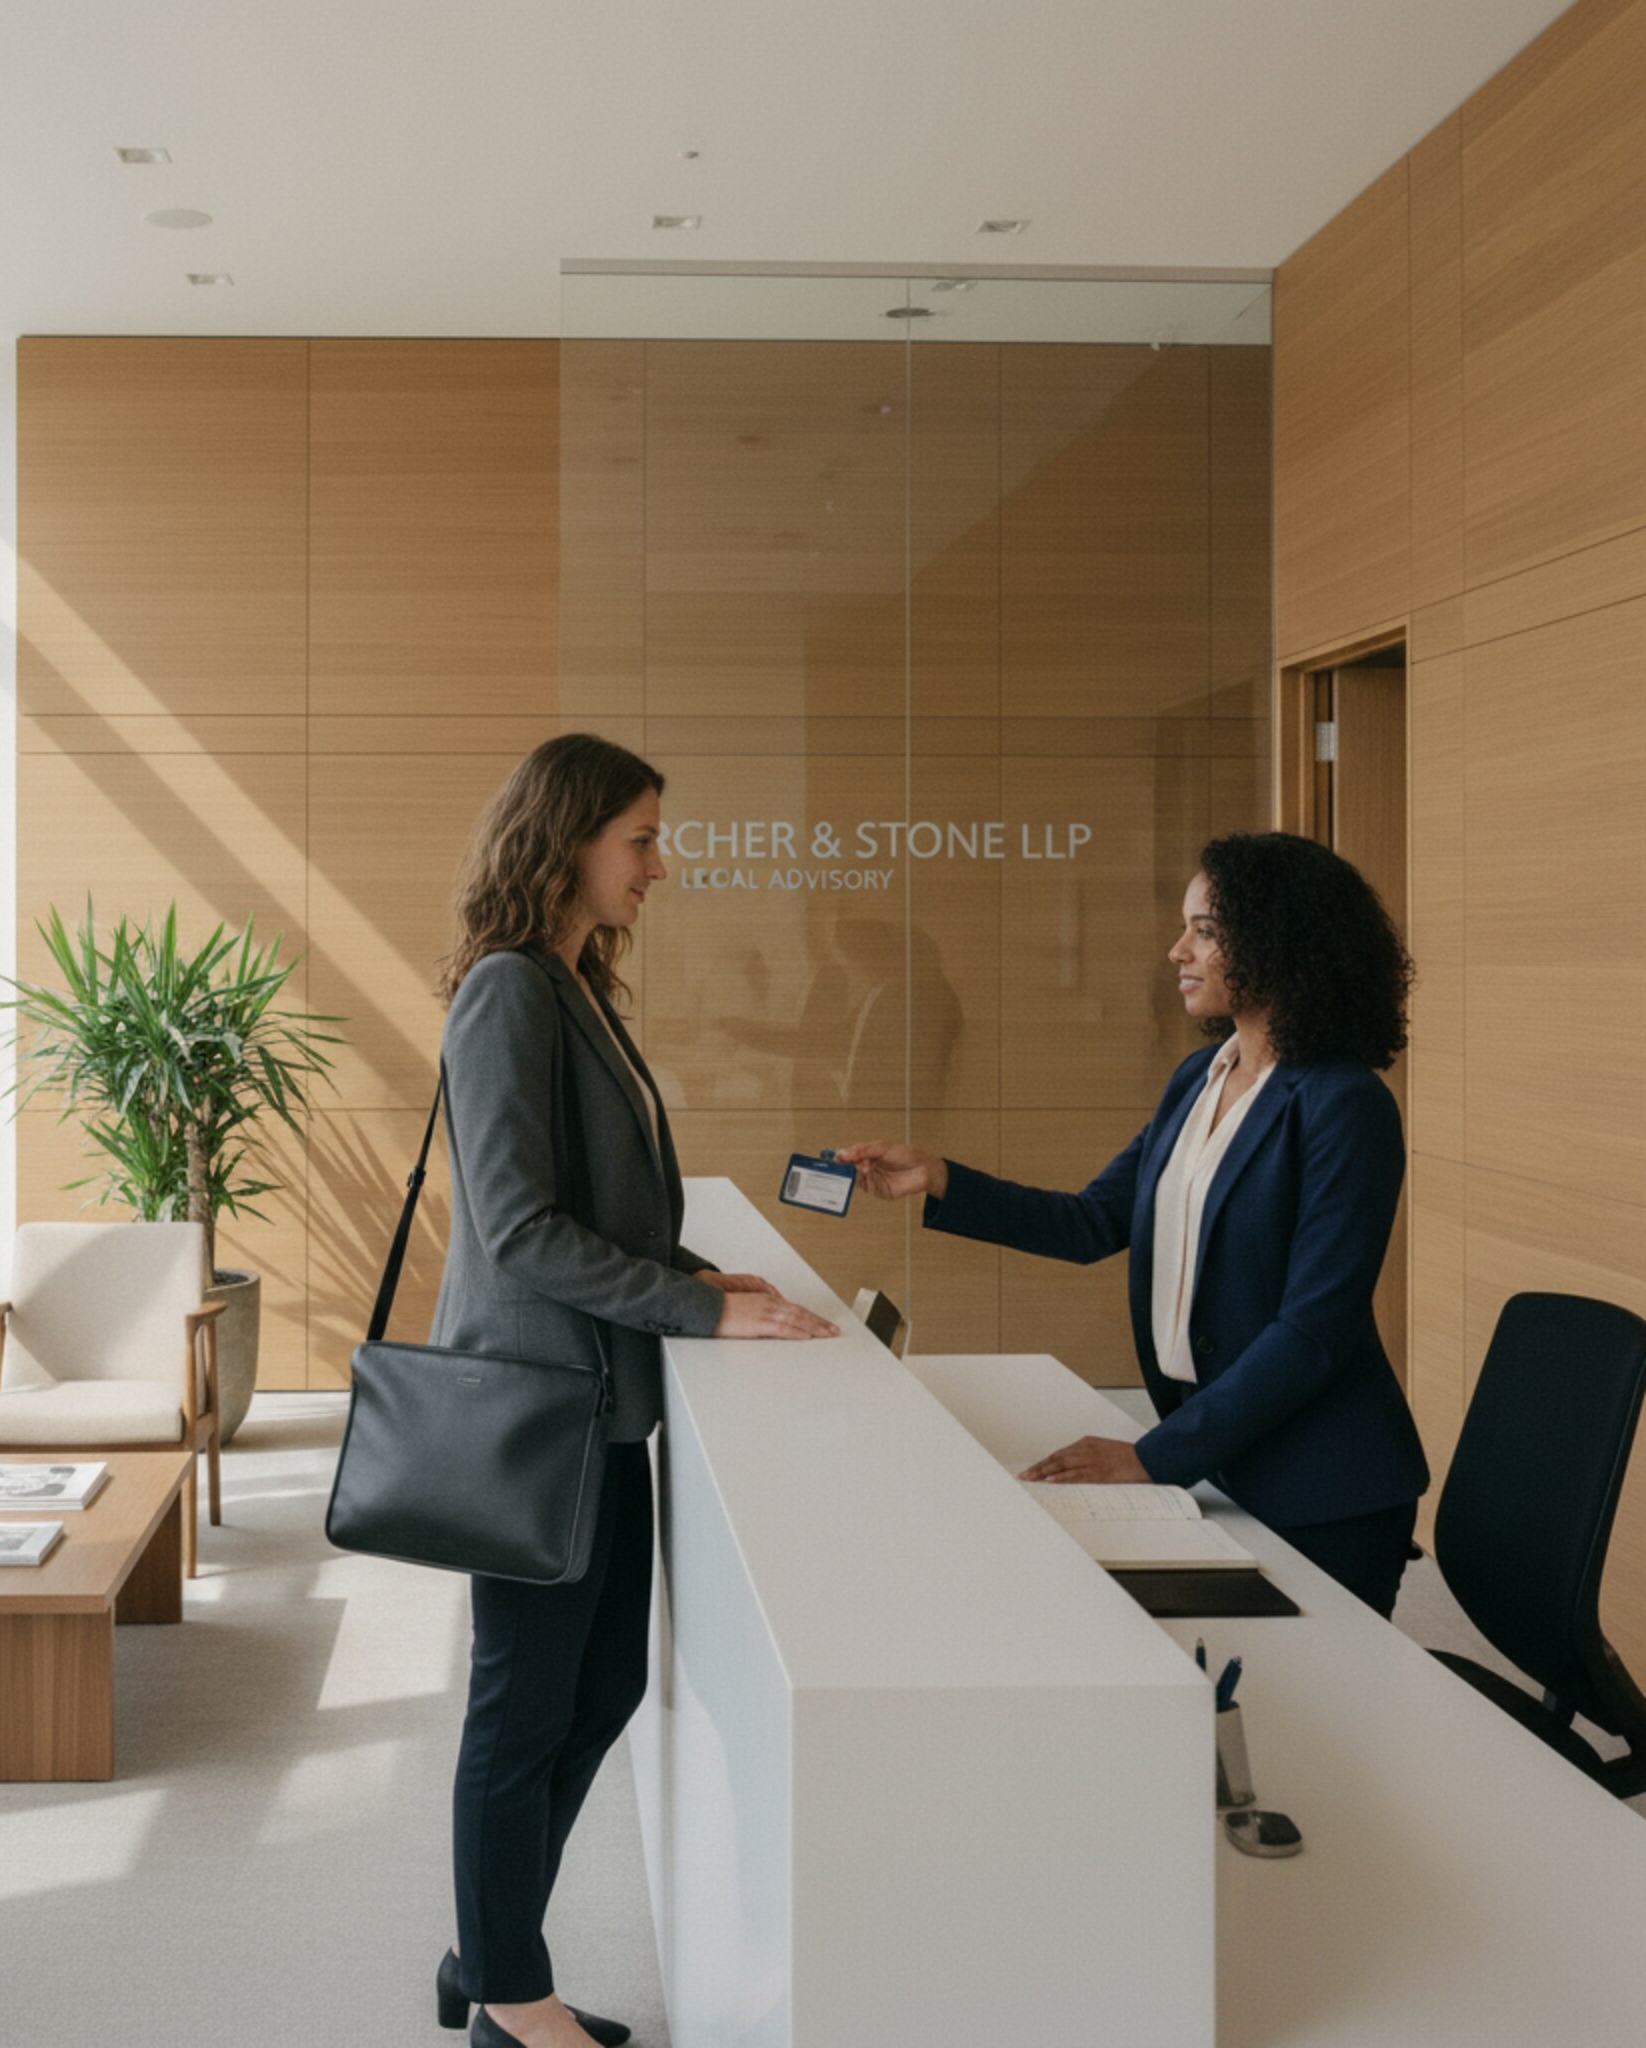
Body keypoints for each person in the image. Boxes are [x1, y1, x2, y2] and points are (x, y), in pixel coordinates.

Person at [433, 733, 837, 2048]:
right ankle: (507, 1995)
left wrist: (715, 1282)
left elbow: (610, 1206)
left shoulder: (574, 988)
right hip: (537, 1414)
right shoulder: (507, 991)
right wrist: (693, 1308)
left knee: (598, 1692)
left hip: (604, 1409)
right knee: (523, 1707)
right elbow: (519, 1229)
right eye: (643, 839)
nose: (660, 867)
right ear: (570, 841)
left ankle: (482, 1950)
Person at [839, 832, 1430, 1618]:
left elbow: (1312, 1333)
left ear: (1279, 942)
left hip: (1322, 1490)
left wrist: (1152, 1457)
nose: (1176, 949)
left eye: (1205, 930)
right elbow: (1093, 1221)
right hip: (1226, 1463)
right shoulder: (1199, 1077)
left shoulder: (1345, 1107)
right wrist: (942, 1179)